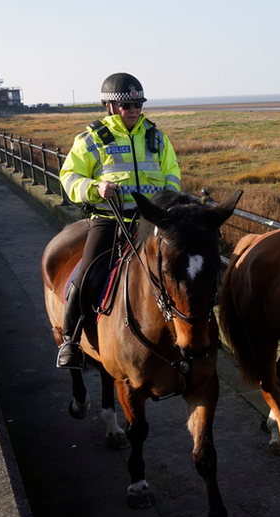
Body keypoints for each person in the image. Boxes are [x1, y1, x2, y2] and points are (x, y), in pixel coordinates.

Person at [54, 72, 182, 370]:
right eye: (128, 105)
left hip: (151, 222)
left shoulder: (157, 137)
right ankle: (71, 341)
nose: (134, 109)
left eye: (138, 104)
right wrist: (95, 188)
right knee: (86, 274)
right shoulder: (92, 139)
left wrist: (170, 200)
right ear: (110, 106)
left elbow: (172, 172)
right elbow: (69, 176)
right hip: (110, 219)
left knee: (186, 269)